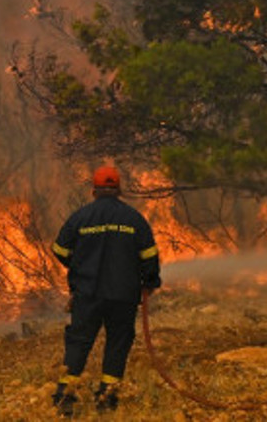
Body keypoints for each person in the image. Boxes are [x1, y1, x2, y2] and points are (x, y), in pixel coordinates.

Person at [49, 165, 161, 414]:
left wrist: (79, 265)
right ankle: (107, 398)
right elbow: (150, 256)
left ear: (94, 191)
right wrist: (150, 282)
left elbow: (59, 250)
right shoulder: (134, 219)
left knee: (79, 342)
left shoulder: (81, 217)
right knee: (118, 343)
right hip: (123, 295)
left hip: (88, 294)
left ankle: (64, 396)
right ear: (118, 189)